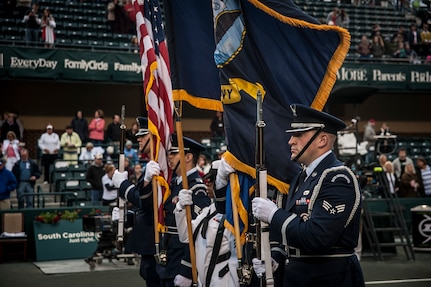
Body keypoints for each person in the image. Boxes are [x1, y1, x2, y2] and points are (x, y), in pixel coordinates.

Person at [251, 104, 364, 287]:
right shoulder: (301, 177)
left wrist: (274, 214)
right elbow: (291, 233)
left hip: (328, 278)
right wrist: (276, 257)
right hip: (298, 276)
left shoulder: (338, 178)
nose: (290, 141)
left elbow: (316, 238)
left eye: (299, 134)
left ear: (322, 140)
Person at [112, 116, 161, 287]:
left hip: (156, 243)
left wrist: (123, 186)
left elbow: (146, 202)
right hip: (147, 241)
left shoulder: (160, 166)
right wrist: (128, 215)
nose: (138, 138)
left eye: (144, 135)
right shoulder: (151, 164)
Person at [174, 160, 239, 287]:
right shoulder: (208, 211)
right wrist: (180, 208)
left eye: (213, 180)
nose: (208, 183)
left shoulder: (235, 216)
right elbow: (185, 236)